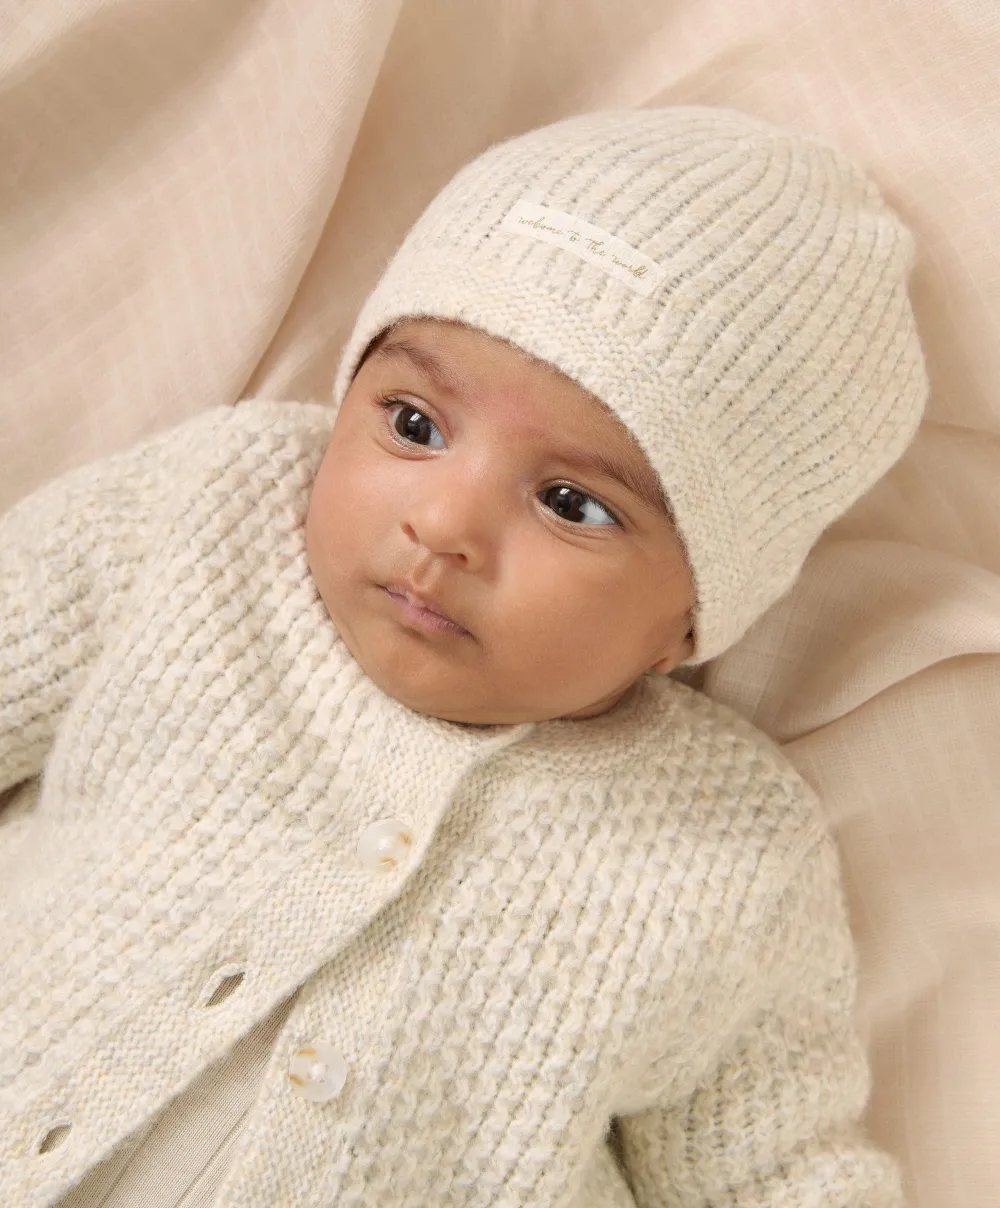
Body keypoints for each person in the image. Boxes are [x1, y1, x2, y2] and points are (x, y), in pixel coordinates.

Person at [0, 106, 927, 1207]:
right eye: (414, 425)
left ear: (692, 616)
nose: (443, 524)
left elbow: (774, 1165)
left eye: (571, 503)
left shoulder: (726, 846)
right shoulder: (215, 514)